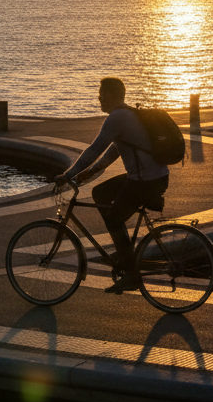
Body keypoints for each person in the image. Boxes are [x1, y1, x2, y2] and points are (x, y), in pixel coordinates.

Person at [53, 77, 169, 294]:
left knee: (114, 219)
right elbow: (110, 155)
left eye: (101, 94)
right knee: (100, 192)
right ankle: (124, 252)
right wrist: (87, 174)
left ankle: (131, 273)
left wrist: (68, 174)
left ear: (110, 95)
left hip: (146, 181)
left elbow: (94, 149)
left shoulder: (117, 118)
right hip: (151, 177)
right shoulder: (127, 116)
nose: (99, 99)